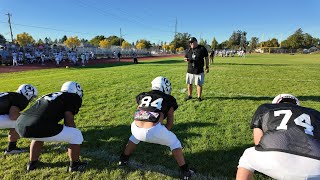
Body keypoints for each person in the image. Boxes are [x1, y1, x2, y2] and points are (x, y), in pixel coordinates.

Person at [118, 76, 195, 179]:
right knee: (175, 143)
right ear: (164, 86)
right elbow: (170, 122)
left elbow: (139, 111)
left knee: (134, 137)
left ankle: (123, 159)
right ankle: (185, 172)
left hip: (135, 127)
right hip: (154, 130)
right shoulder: (168, 99)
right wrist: (162, 136)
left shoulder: (143, 96)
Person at [236, 94, 320, 180]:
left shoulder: (265, 108)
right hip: (316, 167)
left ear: (276, 103)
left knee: (247, 156)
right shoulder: (315, 114)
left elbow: (258, 142)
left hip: (275, 157)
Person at [15, 81, 86, 172]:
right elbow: (69, 119)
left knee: (38, 135)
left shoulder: (50, 94)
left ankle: (32, 164)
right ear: (77, 90)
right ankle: (75, 165)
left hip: (20, 124)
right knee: (76, 134)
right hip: (37, 125)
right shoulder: (73, 97)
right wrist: (72, 135)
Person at [0, 84, 38, 155]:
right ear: (28, 93)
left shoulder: (11, 94)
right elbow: (13, 116)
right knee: (18, 121)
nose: (32, 99)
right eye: (32, 97)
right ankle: (11, 148)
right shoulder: (21, 98)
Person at [184, 37, 209, 102]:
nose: (191, 44)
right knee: (189, 83)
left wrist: (207, 66)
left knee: (199, 84)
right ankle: (189, 95)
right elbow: (185, 58)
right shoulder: (188, 50)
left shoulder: (202, 48)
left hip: (199, 70)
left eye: (192, 42)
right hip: (190, 70)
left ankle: (199, 97)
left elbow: (206, 57)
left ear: (196, 42)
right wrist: (186, 60)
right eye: (190, 43)